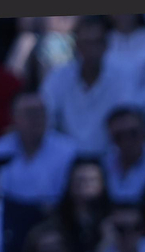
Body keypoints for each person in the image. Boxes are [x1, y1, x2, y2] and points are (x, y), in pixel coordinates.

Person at [38, 16, 128, 157]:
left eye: (96, 43)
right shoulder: (57, 77)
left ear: (106, 45)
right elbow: (46, 120)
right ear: (76, 45)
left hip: (112, 159)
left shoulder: (123, 77)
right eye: (86, 43)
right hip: (65, 160)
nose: (91, 50)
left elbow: (126, 122)